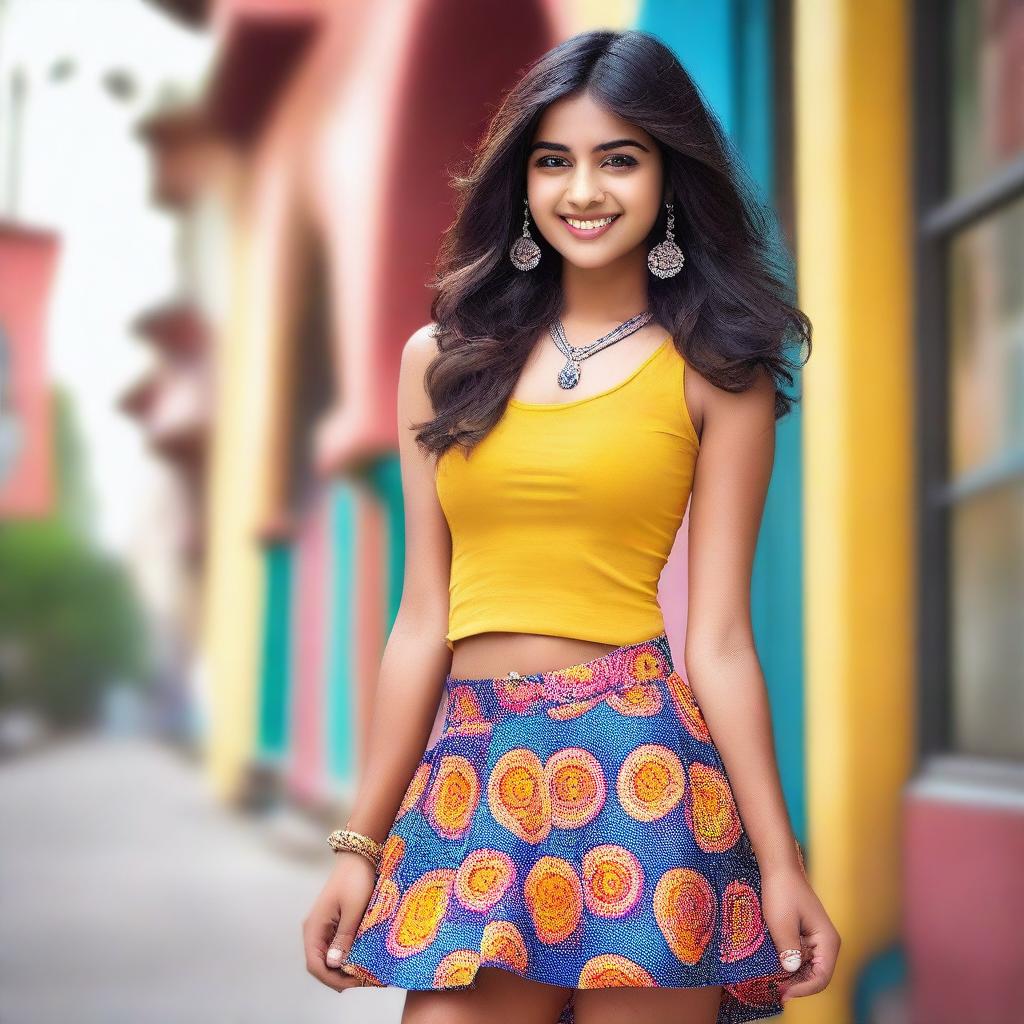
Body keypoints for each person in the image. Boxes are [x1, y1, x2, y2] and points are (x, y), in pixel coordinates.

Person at [302, 28, 840, 1024]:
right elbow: (422, 616)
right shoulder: (444, 355)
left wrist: (779, 862)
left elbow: (717, 636)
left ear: (668, 178)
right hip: (473, 779)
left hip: (639, 778)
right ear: (522, 181)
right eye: (554, 161)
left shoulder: (720, 373)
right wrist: (359, 844)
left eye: (618, 159)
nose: (582, 190)